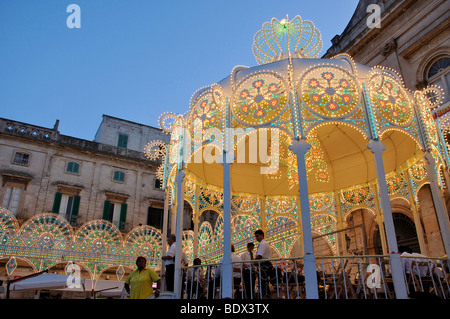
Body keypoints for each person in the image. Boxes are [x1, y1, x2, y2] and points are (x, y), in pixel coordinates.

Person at [254, 229, 273, 298]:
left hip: (264, 265)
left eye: (257, 236)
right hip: (266, 264)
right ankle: (267, 295)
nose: (256, 238)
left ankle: (264, 296)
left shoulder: (262, 244)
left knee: (262, 282)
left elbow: (259, 255)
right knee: (264, 282)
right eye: (255, 237)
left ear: (262, 235)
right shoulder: (264, 243)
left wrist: (253, 262)